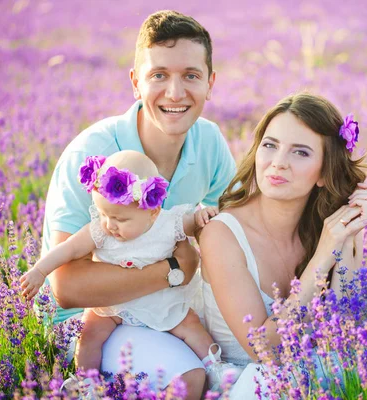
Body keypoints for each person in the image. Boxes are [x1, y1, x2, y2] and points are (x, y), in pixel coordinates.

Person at [39, 10, 235, 399]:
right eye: (159, 75)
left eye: (191, 75)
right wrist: (176, 269)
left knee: (252, 356)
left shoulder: (208, 142)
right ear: (135, 82)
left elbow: (241, 225)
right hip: (91, 322)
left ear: (210, 83)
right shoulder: (93, 154)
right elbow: (67, 287)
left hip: (167, 306)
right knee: (192, 380)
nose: (176, 93)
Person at [198, 93, 367, 398]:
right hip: (245, 385)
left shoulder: (326, 228)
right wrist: (324, 255)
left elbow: (345, 330)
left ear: (324, 172)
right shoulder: (222, 234)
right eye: (270, 145)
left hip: (307, 376)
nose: (278, 163)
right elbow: (266, 351)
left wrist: (350, 232)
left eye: (300, 153)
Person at [23, 151, 241, 395]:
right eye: (103, 214)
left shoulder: (168, 223)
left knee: (191, 326)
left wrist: (202, 216)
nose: (109, 224)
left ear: (152, 211)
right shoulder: (100, 231)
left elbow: (192, 222)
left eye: (119, 218)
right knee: (89, 333)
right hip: (114, 304)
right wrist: (40, 270)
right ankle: (86, 382)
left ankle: (216, 368)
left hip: (159, 301)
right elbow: (68, 249)